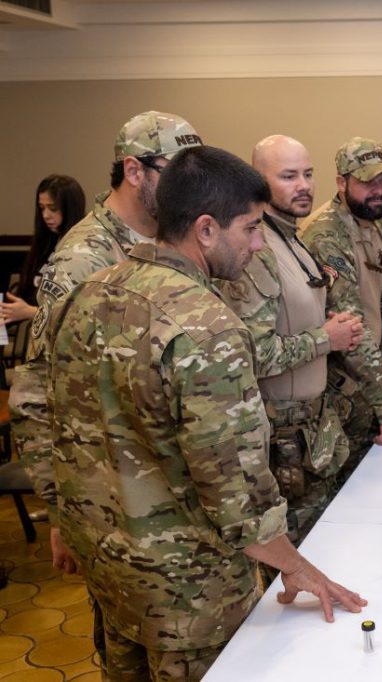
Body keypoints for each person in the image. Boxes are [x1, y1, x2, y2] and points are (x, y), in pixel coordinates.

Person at [47, 145, 367, 681]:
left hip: (111, 575)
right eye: (250, 228)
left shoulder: (87, 294)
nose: (258, 244)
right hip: (191, 597)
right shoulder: (207, 329)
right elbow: (237, 494)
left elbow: (59, 429)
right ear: (205, 229)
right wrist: (296, 567)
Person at [9, 110, 203, 666]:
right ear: (134, 171)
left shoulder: (169, 237)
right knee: (128, 652)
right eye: (176, 173)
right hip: (114, 505)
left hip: (169, 500)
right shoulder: (84, 258)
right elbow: (36, 394)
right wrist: (61, 511)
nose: (189, 188)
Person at [220, 135, 365, 552]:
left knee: (327, 546)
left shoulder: (290, 237)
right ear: (258, 182)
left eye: (308, 174)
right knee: (301, 555)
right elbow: (255, 355)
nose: (303, 185)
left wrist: (327, 328)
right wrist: (326, 338)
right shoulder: (258, 249)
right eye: (288, 176)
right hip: (282, 436)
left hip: (312, 429)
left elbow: (291, 320)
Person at [302, 137, 382, 466]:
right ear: (341, 183)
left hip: (372, 379)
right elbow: (352, 330)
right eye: (367, 182)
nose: (378, 190)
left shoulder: (376, 224)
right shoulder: (326, 234)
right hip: (341, 391)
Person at [1, 175, 86, 325]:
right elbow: (26, 293)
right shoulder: (46, 242)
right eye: (42, 208)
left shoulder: (83, 250)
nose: (46, 215)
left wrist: (30, 312)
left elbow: (80, 313)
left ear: (70, 208)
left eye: (53, 208)